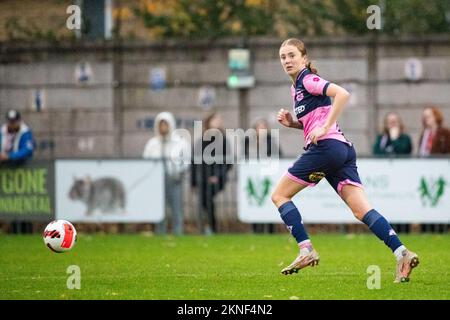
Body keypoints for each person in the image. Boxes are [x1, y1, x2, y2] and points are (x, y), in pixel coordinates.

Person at [271, 38, 419, 283]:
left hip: (327, 148)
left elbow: (342, 94)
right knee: (362, 210)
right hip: (341, 150)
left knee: (279, 195)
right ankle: (402, 253)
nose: (287, 60)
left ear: (304, 58)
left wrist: (325, 127)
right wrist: (294, 124)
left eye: (291, 55)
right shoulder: (296, 88)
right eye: (282, 57)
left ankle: (306, 249)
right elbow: (314, 122)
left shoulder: (307, 79)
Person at [143, 112, 189, 235]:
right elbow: (146, 160)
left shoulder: (179, 142)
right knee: (159, 209)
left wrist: (177, 171)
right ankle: (160, 232)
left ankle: (178, 232)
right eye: (161, 125)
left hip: (174, 180)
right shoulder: (152, 143)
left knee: (176, 209)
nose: (163, 127)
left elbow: (186, 160)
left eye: (165, 124)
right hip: (156, 182)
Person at [191, 113, 232, 235]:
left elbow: (228, 162)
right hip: (203, 178)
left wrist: (217, 176)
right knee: (205, 201)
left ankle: (211, 227)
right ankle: (209, 226)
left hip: (217, 179)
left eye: (218, 120)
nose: (217, 122)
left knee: (208, 199)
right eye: (215, 120)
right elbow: (194, 161)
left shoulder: (223, 140)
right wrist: (193, 181)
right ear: (208, 122)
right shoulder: (202, 140)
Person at [244, 117, 283, 233]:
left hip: (268, 175)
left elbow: (279, 155)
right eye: (260, 127)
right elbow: (244, 156)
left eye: (264, 128)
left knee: (269, 201)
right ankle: (256, 229)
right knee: (255, 200)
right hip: (253, 176)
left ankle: (270, 228)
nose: (262, 130)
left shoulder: (271, 140)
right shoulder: (248, 141)